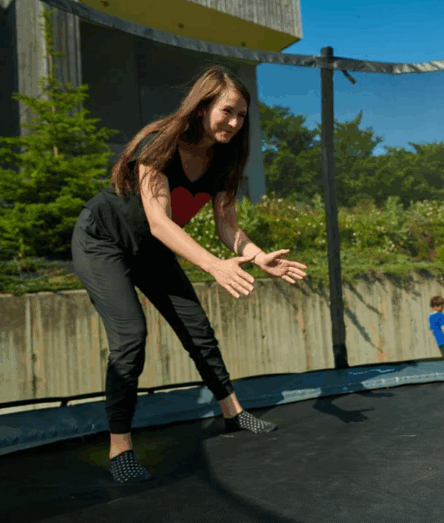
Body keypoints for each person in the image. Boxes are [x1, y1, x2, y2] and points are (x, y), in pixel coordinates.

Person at [71, 65, 308, 485]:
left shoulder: (225, 159)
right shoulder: (159, 142)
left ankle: (232, 413)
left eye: (241, 116)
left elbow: (227, 226)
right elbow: (160, 221)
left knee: (198, 329)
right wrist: (213, 265)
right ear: (202, 107)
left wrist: (255, 256)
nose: (234, 123)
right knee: (130, 336)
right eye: (227, 112)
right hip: (102, 240)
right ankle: (120, 446)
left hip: (153, 250)